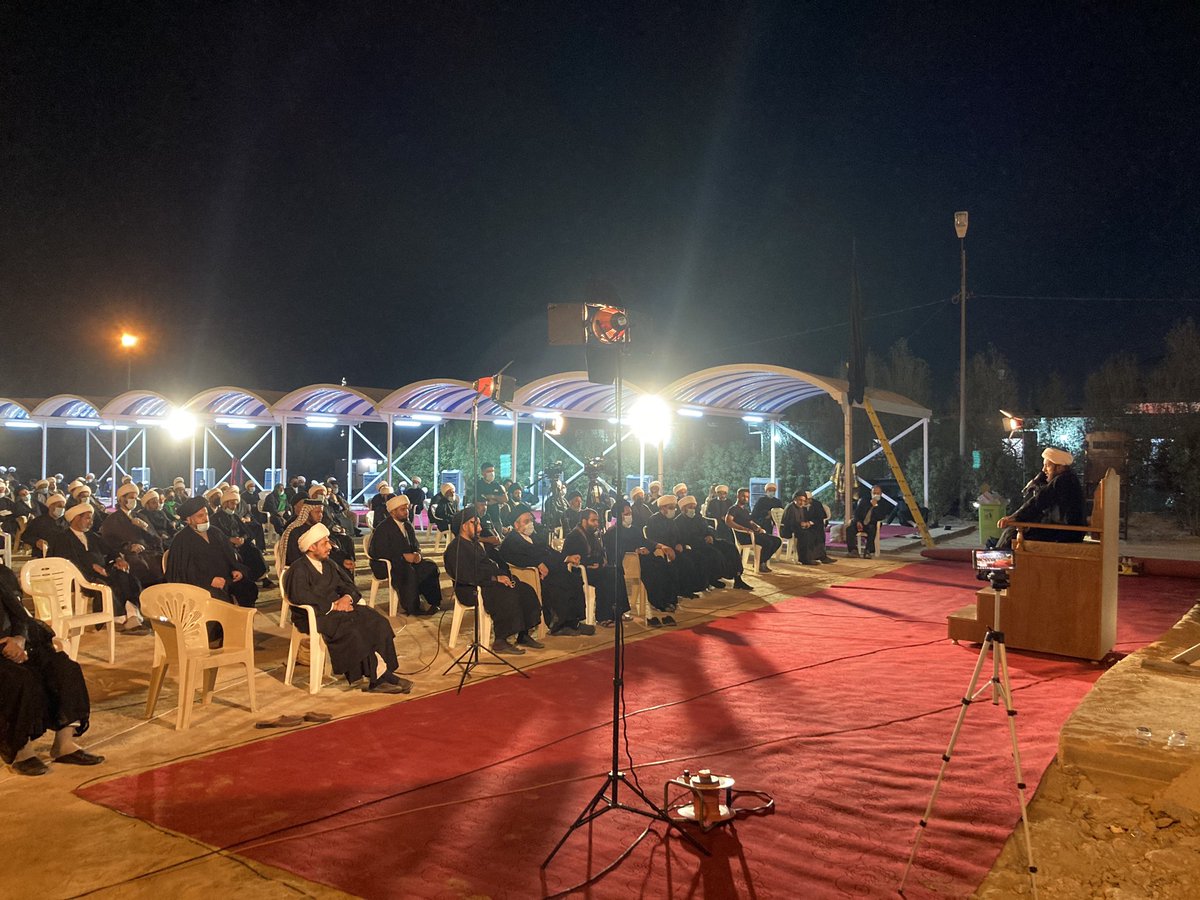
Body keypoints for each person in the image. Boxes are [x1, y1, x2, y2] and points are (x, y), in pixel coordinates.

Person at [1, 564, 103, 776]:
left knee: (64, 669)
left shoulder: (1, 576)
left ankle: (63, 745)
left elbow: (20, 616)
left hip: (15, 645)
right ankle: (21, 751)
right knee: (20, 679)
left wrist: (19, 640)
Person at [283, 524, 409, 694]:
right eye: (324, 543)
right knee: (355, 630)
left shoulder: (329, 564)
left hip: (340, 610)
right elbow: (300, 596)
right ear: (312, 547)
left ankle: (383, 672)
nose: (330, 546)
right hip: (315, 616)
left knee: (377, 621)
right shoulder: (299, 568)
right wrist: (334, 605)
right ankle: (378, 679)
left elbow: (348, 585)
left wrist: (347, 598)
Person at [443, 510, 544, 654]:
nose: (480, 528)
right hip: (470, 589)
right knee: (507, 594)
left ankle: (523, 634)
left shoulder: (474, 544)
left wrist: (502, 576)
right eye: (475, 524)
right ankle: (500, 640)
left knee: (524, 589)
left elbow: (489, 565)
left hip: (487, 582)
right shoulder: (456, 548)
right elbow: (465, 575)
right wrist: (495, 579)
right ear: (464, 526)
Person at [49, 503, 147, 632]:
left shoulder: (92, 536)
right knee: (104, 585)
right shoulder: (62, 538)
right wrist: (91, 567)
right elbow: (65, 561)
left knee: (125, 577)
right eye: (87, 518)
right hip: (80, 575)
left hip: (102, 571)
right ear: (76, 518)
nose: (91, 522)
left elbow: (110, 550)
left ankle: (133, 613)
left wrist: (118, 559)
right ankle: (119, 618)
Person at [500, 511, 594, 636]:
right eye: (526, 521)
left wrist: (567, 558)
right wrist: (537, 563)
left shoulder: (534, 537)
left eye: (531, 520)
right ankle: (558, 625)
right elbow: (515, 559)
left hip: (552, 569)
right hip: (534, 575)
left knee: (574, 579)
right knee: (560, 584)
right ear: (516, 525)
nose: (530, 524)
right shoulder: (511, 541)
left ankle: (573, 622)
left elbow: (549, 551)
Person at [165, 496, 259, 609]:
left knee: (248, 587)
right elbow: (181, 572)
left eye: (206, 514)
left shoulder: (215, 532)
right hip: (200, 584)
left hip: (226, 577)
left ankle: (244, 619)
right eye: (200, 516)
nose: (206, 519)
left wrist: (236, 570)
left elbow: (229, 556)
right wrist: (209, 580)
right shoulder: (181, 540)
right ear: (188, 520)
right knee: (218, 599)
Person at [996, 447, 1087, 548]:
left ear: (1060, 467)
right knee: (1012, 532)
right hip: (1062, 530)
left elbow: (1039, 501)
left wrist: (1014, 517)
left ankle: (997, 557)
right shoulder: (1066, 478)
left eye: (1047, 466)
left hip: (1068, 533)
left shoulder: (1064, 480)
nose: (1043, 470)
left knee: (1011, 534)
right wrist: (1037, 480)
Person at [368, 495, 443, 616]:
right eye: (402, 509)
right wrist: (402, 557)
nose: (406, 512)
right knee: (408, 571)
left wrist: (417, 554)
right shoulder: (383, 528)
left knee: (430, 567)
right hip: (386, 564)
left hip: (407, 561)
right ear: (393, 512)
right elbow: (378, 552)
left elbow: (415, 545)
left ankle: (433, 602)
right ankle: (412, 607)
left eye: (407, 509)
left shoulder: (407, 525)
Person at [606, 499, 678, 625]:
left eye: (630, 513)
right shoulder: (612, 532)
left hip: (643, 558)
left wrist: (661, 546)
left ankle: (668, 600)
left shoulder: (634, 529)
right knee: (652, 570)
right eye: (626, 514)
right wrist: (636, 550)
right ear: (619, 515)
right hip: (629, 562)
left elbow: (645, 541)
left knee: (663, 564)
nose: (629, 516)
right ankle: (659, 602)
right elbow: (614, 550)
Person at [562, 508, 629, 626]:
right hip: (581, 571)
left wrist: (601, 562)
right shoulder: (574, 536)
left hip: (596, 568)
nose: (596, 524)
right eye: (593, 521)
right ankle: (604, 617)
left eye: (597, 521)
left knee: (616, 572)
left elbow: (600, 553)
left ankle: (619, 611)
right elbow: (569, 557)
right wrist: (588, 563)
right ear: (584, 521)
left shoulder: (592, 535)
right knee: (605, 578)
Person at [99, 482, 166, 587]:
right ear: (121, 499)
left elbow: (156, 539)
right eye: (131, 498)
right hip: (130, 555)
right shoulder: (112, 520)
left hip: (150, 553)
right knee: (141, 567)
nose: (134, 501)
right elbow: (109, 542)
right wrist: (129, 547)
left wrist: (145, 528)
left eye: (135, 498)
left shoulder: (140, 516)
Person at [211, 488, 272, 587]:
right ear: (225, 504)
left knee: (254, 551)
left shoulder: (235, 517)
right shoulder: (215, 518)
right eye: (232, 503)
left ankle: (262, 577)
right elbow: (215, 535)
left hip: (240, 543)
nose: (234, 506)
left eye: (236, 504)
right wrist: (230, 540)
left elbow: (248, 532)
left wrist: (243, 539)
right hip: (226, 545)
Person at [728, 487, 782, 572]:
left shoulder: (745, 510)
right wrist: (743, 528)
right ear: (738, 496)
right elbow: (728, 521)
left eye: (747, 497)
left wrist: (758, 527)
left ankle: (760, 561)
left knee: (777, 541)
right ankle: (760, 563)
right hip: (744, 536)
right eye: (743, 496)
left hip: (753, 534)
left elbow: (751, 522)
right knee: (768, 542)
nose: (745, 498)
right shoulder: (733, 509)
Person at [20, 491, 68, 556]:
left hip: (62, 555)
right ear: (50, 506)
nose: (62, 509)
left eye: (63, 507)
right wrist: (37, 541)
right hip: (43, 555)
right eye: (59, 506)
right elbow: (25, 536)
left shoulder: (66, 522)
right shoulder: (38, 521)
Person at [854, 485, 887, 558]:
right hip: (861, 523)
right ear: (871, 493)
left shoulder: (883, 503)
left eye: (878, 493)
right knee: (849, 528)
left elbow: (881, 517)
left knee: (872, 529)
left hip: (872, 524)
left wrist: (875, 506)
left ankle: (868, 551)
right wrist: (858, 521)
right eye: (874, 493)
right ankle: (852, 551)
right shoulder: (864, 500)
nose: (876, 495)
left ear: (881, 494)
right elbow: (857, 513)